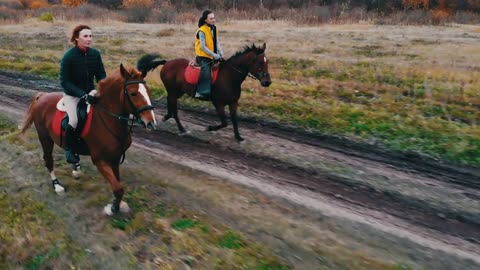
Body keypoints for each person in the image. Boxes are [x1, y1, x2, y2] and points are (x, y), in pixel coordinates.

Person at [59, 24, 106, 164]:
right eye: (85, 36)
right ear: (76, 38)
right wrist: (83, 95)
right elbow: (65, 82)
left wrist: (101, 89)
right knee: (73, 120)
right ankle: (69, 149)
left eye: (90, 36)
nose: (89, 39)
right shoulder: (68, 56)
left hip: (92, 92)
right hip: (72, 95)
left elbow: (101, 76)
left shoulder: (95, 54)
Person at [194, 10, 224, 100]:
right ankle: (200, 92)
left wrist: (221, 53)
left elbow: (217, 42)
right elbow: (203, 47)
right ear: (205, 20)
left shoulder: (214, 28)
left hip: (213, 55)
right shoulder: (201, 31)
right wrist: (214, 55)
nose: (213, 20)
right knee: (206, 70)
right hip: (203, 56)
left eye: (214, 18)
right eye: (211, 18)